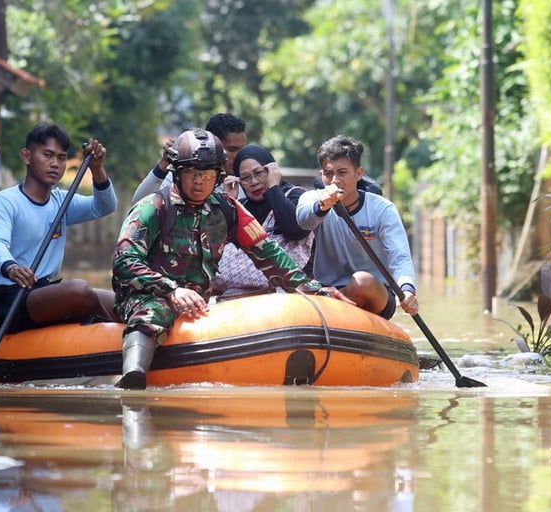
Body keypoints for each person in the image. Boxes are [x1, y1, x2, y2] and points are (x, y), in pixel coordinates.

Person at [112, 128, 348, 390]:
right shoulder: (154, 207)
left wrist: (312, 288)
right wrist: (171, 290)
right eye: (192, 173)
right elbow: (124, 262)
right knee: (155, 310)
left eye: (208, 174)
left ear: (218, 176)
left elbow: (267, 253)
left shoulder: (227, 209)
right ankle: (132, 379)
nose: (199, 182)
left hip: (196, 301)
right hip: (145, 296)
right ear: (178, 174)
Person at [0, 123, 118, 334]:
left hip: (44, 290)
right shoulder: (5, 201)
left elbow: (105, 206)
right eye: (48, 155)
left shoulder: (62, 201)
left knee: (119, 301)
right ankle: (113, 336)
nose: (55, 164)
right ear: (27, 156)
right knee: (79, 289)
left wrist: (97, 168)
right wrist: (12, 267)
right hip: (9, 297)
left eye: (61, 158)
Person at [296, 135, 418, 319]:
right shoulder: (311, 199)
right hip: (326, 290)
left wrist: (407, 289)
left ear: (359, 173)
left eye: (342, 173)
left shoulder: (382, 209)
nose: (335, 180)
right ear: (321, 175)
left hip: (375, 292)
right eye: (328, 174)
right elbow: (304, 221)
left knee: (362, 281)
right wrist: (322, 207)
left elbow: (399, 256)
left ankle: (332, 309)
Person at [214, 144, 313, 293]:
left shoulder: (296, 196)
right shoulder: (242, 206)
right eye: (246, 178)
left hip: (290, 290)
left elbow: (296, 231)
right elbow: (216, 242)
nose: (254, 182)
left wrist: (273, 187)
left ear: (272, 170)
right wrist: (229, 202)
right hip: (237, 291)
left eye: (259, 173)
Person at [130, 112, 248, 203]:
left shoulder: (241, 184)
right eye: (232, 149)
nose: (199, 182)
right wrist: (163, 166)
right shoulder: (181, 175)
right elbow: (139, 202)